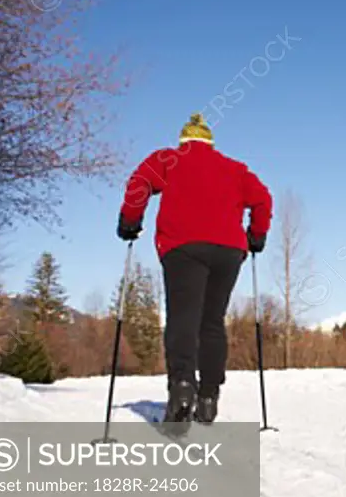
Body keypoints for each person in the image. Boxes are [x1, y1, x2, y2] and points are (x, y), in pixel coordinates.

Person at [116, 113, 272, 433]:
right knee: (212, 322)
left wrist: (130, 221)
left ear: (183, 140)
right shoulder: (234, 168)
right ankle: (209, 397)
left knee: (183, 318)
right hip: (229, 251)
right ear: (209, 142)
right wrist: (256, 235)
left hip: (183, 246)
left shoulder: (168, 159)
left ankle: (182, 390)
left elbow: (138, 184)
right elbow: (262, 199)